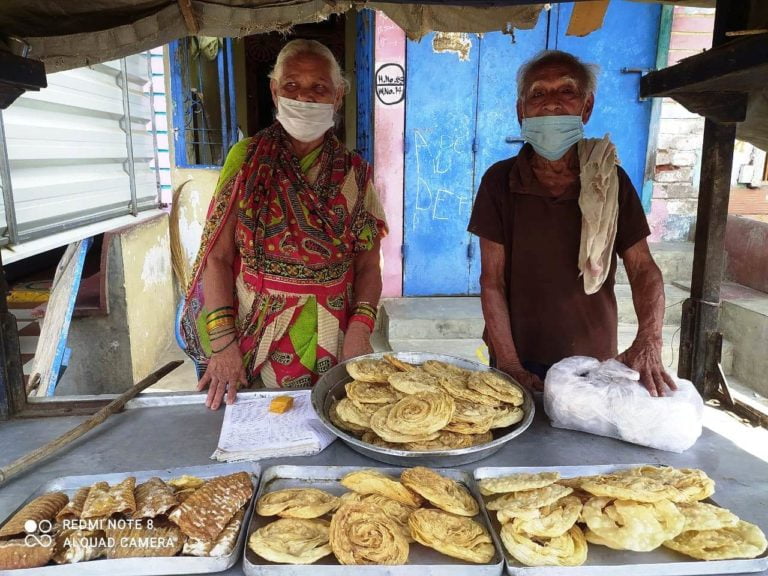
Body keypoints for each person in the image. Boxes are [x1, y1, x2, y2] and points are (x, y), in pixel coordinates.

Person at [181, 39, 387, 410]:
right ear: (274, 91)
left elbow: (369, 264)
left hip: (333, 334)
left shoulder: (354, 173)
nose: (305, 98)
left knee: (335, 423)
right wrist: (224, 344)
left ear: (337, 96)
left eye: (319, 87)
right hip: (254, 333)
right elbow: (218, 257)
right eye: (291, 85)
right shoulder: (245, 160)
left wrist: (360, 329)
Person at [467, 50, 676, 398]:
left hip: (592, 362)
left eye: (566, 92)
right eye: (537, 93)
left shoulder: (611, 181)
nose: (551, 104)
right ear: (522, 112)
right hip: (516, 359)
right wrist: (509, 364)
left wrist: (649, 339)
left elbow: (643, 270)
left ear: (586, 106)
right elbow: (492, 282)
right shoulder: (499, 181)